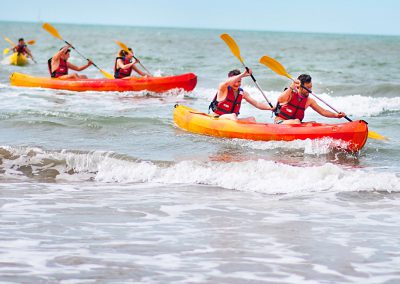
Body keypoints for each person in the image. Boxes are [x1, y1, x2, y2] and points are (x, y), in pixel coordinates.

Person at [274, 74, 346, 124]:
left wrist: (336, 115)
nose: (309, 90)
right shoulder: (291, 94)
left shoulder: (309, 101)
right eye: (307, 88)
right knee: (296, 121)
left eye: (310, 87)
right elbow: (280, 100)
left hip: (295, 125)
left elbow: (323, 111)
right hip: (281, 123)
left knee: (313, 124)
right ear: (299, 87)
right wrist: (292, 86)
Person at [209, 69, 273, 122]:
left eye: (239, 81)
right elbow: (227, 82)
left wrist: (269, 108)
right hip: (217, 118)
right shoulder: (223, 88)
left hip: (233, 120)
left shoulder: (242, 93)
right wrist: (243, 74)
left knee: (252, 119)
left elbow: (256, 103)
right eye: (235, 81)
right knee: (233, 115)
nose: (237, 84)